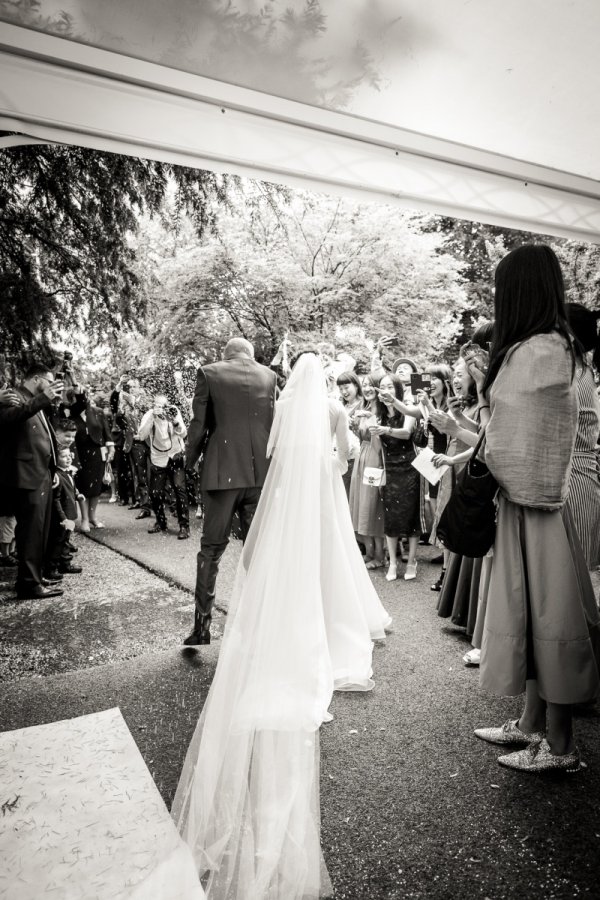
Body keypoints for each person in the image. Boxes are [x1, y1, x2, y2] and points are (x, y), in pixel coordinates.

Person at [172, 352, 389, 898]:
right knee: (293, 555)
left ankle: (207, 622)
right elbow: (320, 449)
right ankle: (295, 613)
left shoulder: (250, 389)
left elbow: (230, 433)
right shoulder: (295, 391)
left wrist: (192, 457)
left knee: (223, 552)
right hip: (289, 484)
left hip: (242, 476)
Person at [473, 244, 600, 773]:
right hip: (535, 497)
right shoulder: (546, 346)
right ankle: (530, 724)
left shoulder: (541, 350)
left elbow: (513, 434)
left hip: (540, 501)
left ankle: (563, 746)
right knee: (533, 615)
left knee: (551, 617)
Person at [183, 337, 277, 646]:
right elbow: (273, 424)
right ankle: (261, 621)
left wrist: (189, 460)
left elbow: (198, 424)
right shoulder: (269, 375)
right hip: (261, 475)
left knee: (211, 549)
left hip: (223, 474)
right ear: (249, 355)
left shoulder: (210, 373)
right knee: (258, 550)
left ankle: (202, 627)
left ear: (226, 355)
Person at [0, 363, 64, 599]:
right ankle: (29, 584)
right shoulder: (14, 396)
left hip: (41, 473)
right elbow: (10, 419)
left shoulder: (36, 400)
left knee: (41, 531)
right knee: (30, 532)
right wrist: (42, 399)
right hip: (25, 474)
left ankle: (36, 576)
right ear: (37, 379)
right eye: (49, 381)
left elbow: (44, 436)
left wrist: (52, 469)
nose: (51, 387)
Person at [374, 372, 420, 581]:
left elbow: (406, 433)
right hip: (389, 466)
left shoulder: (407, 408)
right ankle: (392, 562)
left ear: (398, 389)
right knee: (391, 516)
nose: (386, 390)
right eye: (383, 386)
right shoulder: (378, 412)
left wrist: (385, 429)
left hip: (409, 466)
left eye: (390, 386)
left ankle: (411, 561)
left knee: (410, 514)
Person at [138, 394, 190, 539]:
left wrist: (174, 421)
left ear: (167, 405)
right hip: (158, 459)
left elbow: (183, 433)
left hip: (175, 456)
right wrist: (152, 418)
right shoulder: (149, 415)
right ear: (153, 405)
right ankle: (160, 522)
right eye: (157, 405)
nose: (160, 408)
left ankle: (184, 526)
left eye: (163, 405)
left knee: (180, 490)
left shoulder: (173, 411)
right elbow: (141, 435)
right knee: (155, 493)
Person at [348, 373, 386, 568]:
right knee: (361, 504)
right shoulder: (365, 407)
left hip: (374, 457)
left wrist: (371, 420)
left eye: (372, 385)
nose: (368, 388)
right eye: (365, 385)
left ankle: (380, 555)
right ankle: (369, 551)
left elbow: (379, 443)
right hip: (362, 457)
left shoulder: (382, 410)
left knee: (373, 506)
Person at [71, 389, 114, 531]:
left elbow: (106, 432)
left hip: (97, 453)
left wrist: (111, 448)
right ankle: (83, 519)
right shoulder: (71, 413)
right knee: (82, 485)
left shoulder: (98, 411)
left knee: (96, 486)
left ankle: (92, 517)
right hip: (78, 453)